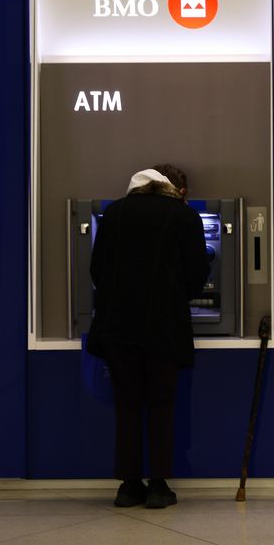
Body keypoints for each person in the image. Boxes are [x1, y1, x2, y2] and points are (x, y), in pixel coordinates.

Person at [87, 164, 209, 509]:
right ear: (172, 187)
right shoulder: (182, 216)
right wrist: (173, 295)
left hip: (118, 328)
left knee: (127, 405)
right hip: (163, 327)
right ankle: (158, 486)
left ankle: (127, 487)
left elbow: (97, 269)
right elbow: (198, 273)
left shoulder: (114, 213)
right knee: (161, 406)